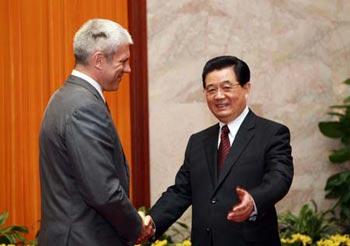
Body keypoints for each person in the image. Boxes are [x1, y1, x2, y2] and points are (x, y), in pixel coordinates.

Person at [144, 56, 294, 245]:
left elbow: (280, 178)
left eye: (227, 87)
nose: (219, 96)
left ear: (246, 88)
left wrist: (254, 199)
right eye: (211, 89)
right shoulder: (198, 141)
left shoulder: (271, 133)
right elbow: (181, 191)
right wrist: (152, 222)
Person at [38, 19, 153, 246]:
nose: (129, 69)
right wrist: (136, 226)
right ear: (99, 60)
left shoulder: (63, 97)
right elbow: (103, 191)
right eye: (124, 61)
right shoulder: (84, 107)